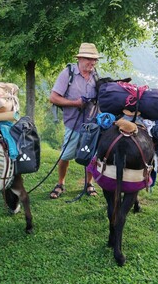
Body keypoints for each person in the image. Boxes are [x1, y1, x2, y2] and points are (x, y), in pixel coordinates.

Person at [48, 43, 100, 199]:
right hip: (73, 123)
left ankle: (89, 183)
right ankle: (61, 183)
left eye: (94, 60)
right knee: (66, 155)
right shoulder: (67, 73)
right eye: (89, 59)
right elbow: (54, 97)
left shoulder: (95, 75)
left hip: (91, 126)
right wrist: (75, 103)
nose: (92, 63)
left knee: (91, 156)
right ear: (80, 59)